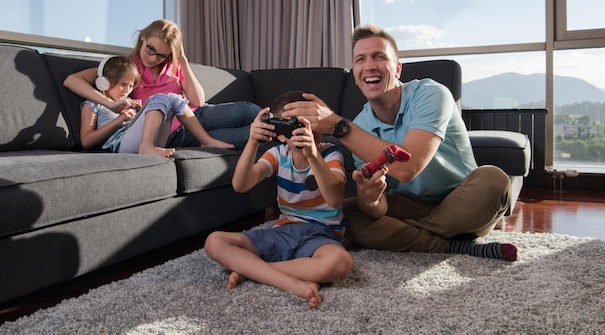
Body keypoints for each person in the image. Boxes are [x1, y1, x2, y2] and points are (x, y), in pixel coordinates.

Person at [282, 24, 518, 262]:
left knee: (494, 180)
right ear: (355, 74)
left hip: (460, 198)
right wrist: (370, 199)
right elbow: (379, 208)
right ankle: (457, 244)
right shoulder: (359, 125)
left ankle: (418, 237)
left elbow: (407, 168)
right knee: (349, 215)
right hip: (409, 205)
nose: (369, 65)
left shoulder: (432, 94)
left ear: (397, 69)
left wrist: (338, 126)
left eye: (379, 57)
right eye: (360, 59)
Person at [204, 91, 353, 308]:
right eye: (296, 126)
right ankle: (290, 281)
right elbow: (241, 185)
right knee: (214, 241)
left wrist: (313, 155)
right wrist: (253, 142)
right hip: (284, 230)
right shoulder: (277, 154)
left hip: (321, 234)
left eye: (310, 123)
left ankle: (253, 270)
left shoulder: (330, 153)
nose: (305, 130)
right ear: (281, 133)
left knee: (340, 262)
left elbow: (334, 199)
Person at [64, 19, 261, 149]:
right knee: (249, 136)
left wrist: (181, 59)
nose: (153, 58)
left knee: (245, 110)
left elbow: (198, 101)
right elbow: (71, 80)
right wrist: (109, 104)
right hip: (174, 132)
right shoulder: (126, 67)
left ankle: (286, 122)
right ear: (143, 38)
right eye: (150, 49)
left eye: (162, 55)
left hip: (196, 114)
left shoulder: (172, 65)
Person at [80, 55, 233, 156]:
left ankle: (205, 141)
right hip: (120, 145)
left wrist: (140, 113)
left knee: (173, 98)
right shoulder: (94, 104)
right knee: (158, 98)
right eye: (122, 85)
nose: (127, 90)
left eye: (131, 86)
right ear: (104, 82)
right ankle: (146, 146)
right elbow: (86, 141)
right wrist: (117, 121)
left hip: (145, 138)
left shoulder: (128, 102)